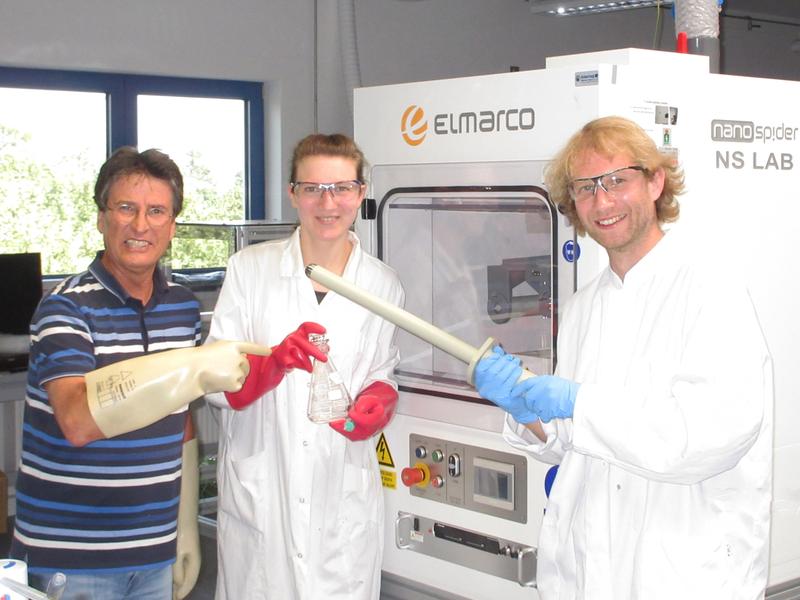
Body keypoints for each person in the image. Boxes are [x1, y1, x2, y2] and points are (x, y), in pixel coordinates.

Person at [474, 116, 773, 600]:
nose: (603, 201)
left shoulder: (710, 289)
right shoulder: (583, 306)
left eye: (617, 180)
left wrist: (577, 402)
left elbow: (703, 438)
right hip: (589, 571)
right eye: (586, 188)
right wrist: (524, 409)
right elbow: (568, 442)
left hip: (682, 573)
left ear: (656, 182)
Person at [10, 147, 309, 600]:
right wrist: (193, 366)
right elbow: (77, 420)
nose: (140, 225)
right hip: (72, 558)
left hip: (152, 550)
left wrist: (185, 526)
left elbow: (179, 418)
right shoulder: (65, 308)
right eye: (126, 208)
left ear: (172, 225)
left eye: (157, 212)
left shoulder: (181, 306)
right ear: (100, 218)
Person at [205, 133, 404, 599]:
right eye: (313, 188)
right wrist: (271, 365)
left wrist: (379, 399)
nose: (327, 202)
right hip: (264, 495)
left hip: (341, 499)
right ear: (293, 194)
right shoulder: (249, 270)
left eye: (341, 188)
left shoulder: (382, 284)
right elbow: (216, 382)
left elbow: (380, 369)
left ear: (360, 193)